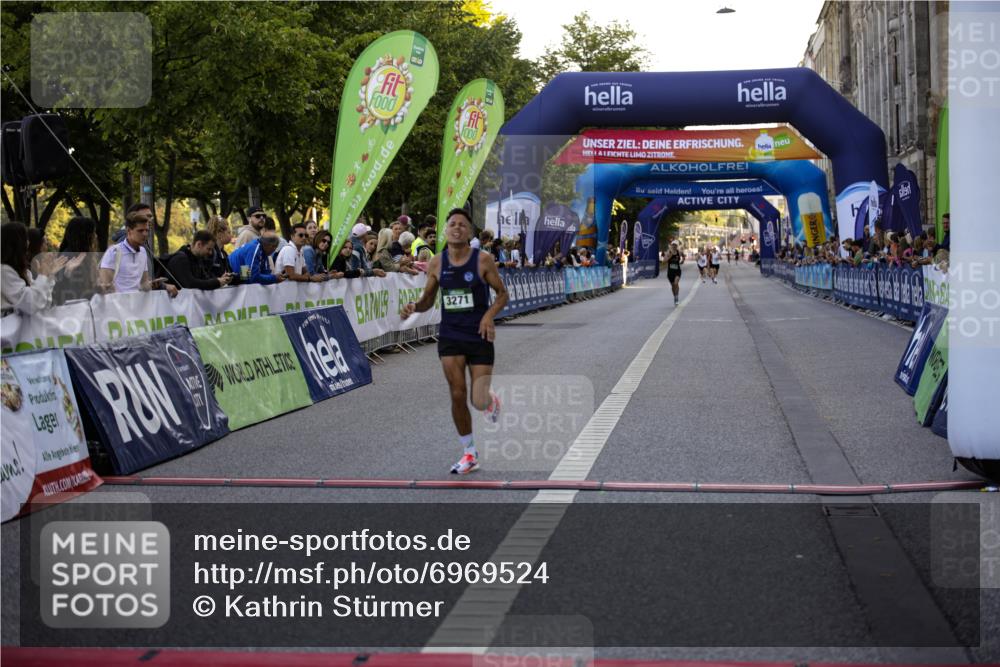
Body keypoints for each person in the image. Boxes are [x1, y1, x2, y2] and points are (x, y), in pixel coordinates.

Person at [400, 208, 508, 475]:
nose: (457, 227)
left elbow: (502, 294)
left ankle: (490, 401)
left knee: (478, 400)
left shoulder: (483, 261)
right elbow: (427, 301)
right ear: (445, 231)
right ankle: (469, 452)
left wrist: (489, 316)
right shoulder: (436, 263)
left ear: (469, 232)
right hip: (450, 335)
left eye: (462, 224)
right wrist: (415, 306)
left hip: (479, 335)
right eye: (452, 224)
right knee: (457, 393)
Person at [1, 222, 74, 315]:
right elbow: (32, 305)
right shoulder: (4, 271)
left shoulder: (25, 271)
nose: (28, 243)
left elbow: (43, 304)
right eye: (25, 239)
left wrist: (49, 276)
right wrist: (43, 276)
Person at [98, 213, 178, 296]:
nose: (145, 234)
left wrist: (154, 284)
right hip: (118, 306)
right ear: (129, 231)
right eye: (140, 231)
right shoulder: (113, 252)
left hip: (138, 306)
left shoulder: (143, 251)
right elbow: (105, 287)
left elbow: (143, 284)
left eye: (147, 230)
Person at [53, 216, 100, 304]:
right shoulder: (68, 258)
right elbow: (70, 294)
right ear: (84, 235)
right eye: (93, 232)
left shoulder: (81, 256)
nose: (96, 236)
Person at [166, 230, 234, 290]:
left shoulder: (198, 258)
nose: (210, 253)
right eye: (208, 249)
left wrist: (221, 279)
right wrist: (217, 282)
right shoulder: (180, 259)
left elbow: (205, 279)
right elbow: (191, 284)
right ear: (199, 244)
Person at [205, 215, 237, 282]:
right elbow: (205, 275)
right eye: (229, 232)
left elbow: (229, 273)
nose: (231, 235)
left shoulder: (223, 253)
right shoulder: (210, 253)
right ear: (219, 234)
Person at [665, 242, 684, 306]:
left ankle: (676, 297)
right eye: (673, 245)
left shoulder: (679, 252)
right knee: (673, 286)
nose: (674, 246)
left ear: (677, 246)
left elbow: (683, 256)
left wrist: (682, 261)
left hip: (677, 271)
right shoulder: (668, 252)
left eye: (675, 245)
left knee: (676, 283)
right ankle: (675, 297)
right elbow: (664, 261)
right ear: (671, 246)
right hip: (670, 272)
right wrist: (670, 256)